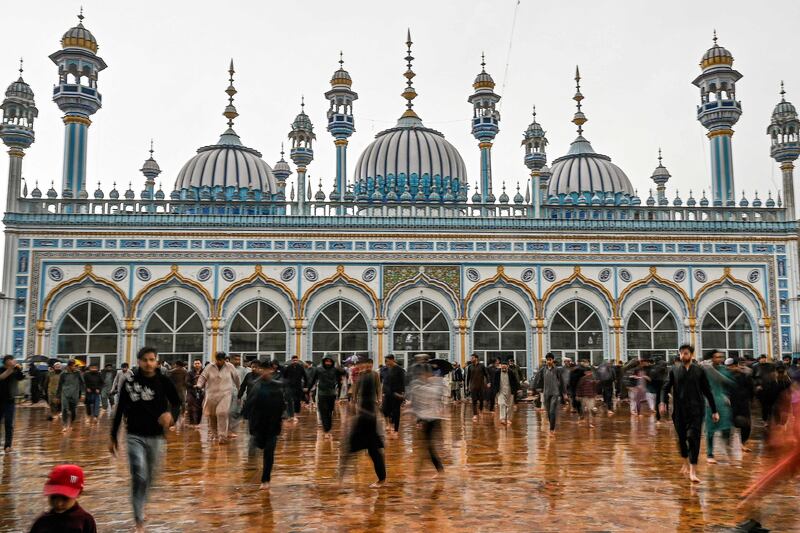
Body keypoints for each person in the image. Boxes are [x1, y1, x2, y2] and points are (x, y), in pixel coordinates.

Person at [110, 346, 181, 533]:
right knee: (139, 474)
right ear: (139, 361)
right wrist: (113, 436)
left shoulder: (164, 381)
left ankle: (142, 504)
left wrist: (171, 417)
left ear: (156, 361)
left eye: (152, 359)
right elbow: (119, 410)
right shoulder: (129, 382)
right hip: (134, 435)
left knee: (150, 477)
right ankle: (139, 520)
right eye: (145, 360)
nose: (149, 363)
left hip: (157, 437)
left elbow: (177, 402)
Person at [660, 344, 719, 483]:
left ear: (691, 355)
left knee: (693, 438)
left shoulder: (699, 371)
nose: (682, 356)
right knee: (681, 440)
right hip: (679, 412)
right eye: (681, 353)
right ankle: (685, 461)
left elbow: (707, 391)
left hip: (696, 411)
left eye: (685, 353)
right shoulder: (674, 371)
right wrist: (662, 402)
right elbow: (665, 388)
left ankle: (693, 471)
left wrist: (714, 410)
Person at [340, 358, 386, 488]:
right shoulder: (361, 375)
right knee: (370, 448)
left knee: (369, 448)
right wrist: (353, 401)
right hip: (365, 414)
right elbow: (355, 389)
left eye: (369, 364)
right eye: (365, 364)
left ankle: (381, 478)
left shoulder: (373, 375)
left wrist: (379, 399)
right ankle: (381, 478)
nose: (366, 366)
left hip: (368, 414)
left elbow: (378, 387)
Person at [246, 360, 286, 490]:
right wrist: (248, 422)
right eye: (262, 370)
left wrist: (284, 419)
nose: (264, 372)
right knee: (260, 445)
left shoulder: (277, 385)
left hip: (272, 424)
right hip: (258, 424)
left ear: (272, 371)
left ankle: (265, 479)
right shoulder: (255, 385)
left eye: (267, 370)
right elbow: (249, 404)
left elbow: (282, 404)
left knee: (269, 452)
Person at [29, 464, 96, 533]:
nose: (58, 503)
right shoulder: (41, 522)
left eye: (65, 498)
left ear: (79, 493)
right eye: (53, 497)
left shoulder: (86, 521)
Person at [196, 351, 240, 443]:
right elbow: (203, 377)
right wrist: (199, 385)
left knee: (222, 413)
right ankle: (215, 434)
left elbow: (236, 378)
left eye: (221, 360)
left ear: (224, 359)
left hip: (225, 394)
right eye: (217, 360)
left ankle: (222, 436)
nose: (219, 362)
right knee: (212, 416)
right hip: (211, 395)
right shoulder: (209, 367)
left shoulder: (230, 367)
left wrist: (240, 390)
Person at [411, 365, 446, 475]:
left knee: (427, 446)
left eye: (425, 374)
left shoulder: (433, 385)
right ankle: (421, 468)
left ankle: (425, 469)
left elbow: (431, 395)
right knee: (425, 445)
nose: (424, 376)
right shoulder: (424, 385)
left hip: (432, 420)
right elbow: (418, 402)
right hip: (425, 419)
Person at [702, 350, 735, 464]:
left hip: (722, 401)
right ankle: (710, 454)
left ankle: (727, 445)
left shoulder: (723, 369)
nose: (719, 359)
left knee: (726, 427)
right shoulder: (704, 370)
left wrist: (726, 395)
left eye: (721, 357)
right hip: (709, 402)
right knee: (710, 430)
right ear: (711, 358)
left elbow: (728, 382)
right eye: (717, 357)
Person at [307, 355, 345, 438]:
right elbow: (313, 380)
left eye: (330, 361)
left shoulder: (335, 370)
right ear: (324, 361)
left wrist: (338, 396)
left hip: (331, 394)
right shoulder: (318, 370)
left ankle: (328, 428)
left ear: (332, 362)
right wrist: (308, 390)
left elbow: (340, 380)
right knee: (323, 412)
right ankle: (326, 430)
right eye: (326, 361)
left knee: (329, 412)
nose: (328, 363)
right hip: (322, 394)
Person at [533, 353, 567, 435]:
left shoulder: (557, 370)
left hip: (555, 393)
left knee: (552, 411)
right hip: (546, 393)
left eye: (550, 360)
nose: (548, 361)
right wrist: (534, 389)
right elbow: (537, 379)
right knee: (548, 411)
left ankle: (552, 429)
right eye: (547, 360)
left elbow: (562, 382)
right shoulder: (543, 370)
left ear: (553, 360)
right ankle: (551, 424)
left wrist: (564, 393)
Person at [727, 357, 754, 452]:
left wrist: (750, 400)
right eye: (727, 367)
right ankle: (729, 443)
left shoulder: (745, 376)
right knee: (730, 423)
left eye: (731, 366)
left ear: (736, 365)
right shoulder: (726, 377)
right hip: (730, 404)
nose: (729, 368)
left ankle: (742, 443)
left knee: (746, 425)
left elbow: (751, 389)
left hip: (743, 403)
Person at [0, 356, 24, 452]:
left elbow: (21, 377)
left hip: (10, 401)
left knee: (9, 423)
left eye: (13, 360)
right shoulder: (1, 369)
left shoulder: (16, 369)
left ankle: (8, 445)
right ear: (6, 362)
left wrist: (18, 369)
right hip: (0, 400)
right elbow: (1, 377)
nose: (14, 361)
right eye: (11, 360)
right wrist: (11, 369)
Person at [57, 360, 85, 433]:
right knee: (65, 410)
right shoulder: (63, 374)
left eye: (75, 366)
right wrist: (57, 396)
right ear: (69, 366)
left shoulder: (78, 373)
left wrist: (83, 394)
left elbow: (82, 383)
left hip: (74, 395)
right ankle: (65, 425)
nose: (75, 367)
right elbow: (59, 385)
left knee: (73, 411)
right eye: (73, 366)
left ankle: (71, 424)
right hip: (65, 394)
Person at [381, 354, 405, 435]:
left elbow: (403, 382)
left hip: (396, 394)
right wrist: (382, 392)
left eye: (387, 361)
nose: (386, 363)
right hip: (387, 393)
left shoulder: (399, 370)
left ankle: (396, 430)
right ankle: (388, 424)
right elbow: (383, 381)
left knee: (396, 412)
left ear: (392, 360)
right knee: (384, 410)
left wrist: (402, 394)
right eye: (385, 361)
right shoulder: (384, 369)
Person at [492, 360, 520, 426]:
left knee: (510, 406)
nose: (503, 368)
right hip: (500, 391)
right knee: (501, 404)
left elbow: (515, 381)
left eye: (505, 367)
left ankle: (508, 419)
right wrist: (494, 390)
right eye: (502, 367)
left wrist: (518, 389)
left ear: (507, 366)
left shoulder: (511, 372)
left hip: (510, 391)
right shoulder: (497, 372)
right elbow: (495, 382)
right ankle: (502, 418)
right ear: (501, 366)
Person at [282, 355, 307, 423]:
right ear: (292, 361)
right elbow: (284, 376)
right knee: (290, 400)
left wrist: (305, 386)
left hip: (298, 386)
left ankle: (296, 413)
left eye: (296, 360)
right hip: (290, 386)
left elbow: (305, 377)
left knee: (297, 400)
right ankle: (291, 414)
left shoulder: (300, 367)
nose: (295, 361)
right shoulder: (288, 367)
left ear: (298, 360)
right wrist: (285, 384)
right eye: (294, 360)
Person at [228, 354, 249, 433]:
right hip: (228, 393)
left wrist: (243, 396)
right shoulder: (227, 369)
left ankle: (232, 430)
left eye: (239, 360)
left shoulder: (243, 370)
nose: (238, 361)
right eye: (236, 359)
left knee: (236, 412)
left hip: (238, 394)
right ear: (231, 360)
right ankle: (228, 429)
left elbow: (244, 384)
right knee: (227, 412)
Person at [465, 354, 489, 421]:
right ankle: (475, 414)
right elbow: (468, 377)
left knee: (481, 400)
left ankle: (480, 410)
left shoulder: (482, 366)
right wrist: (467, 385)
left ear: (476, 358)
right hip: (473, 386)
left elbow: (486, 374)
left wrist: (488, 382)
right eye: (471, 358)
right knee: (474, 401)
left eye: (472, 358)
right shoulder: (470, 367)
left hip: (481, 386)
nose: (471, 359)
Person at [168, 360, 189, 428]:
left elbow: (168, 380)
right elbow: (186, 381)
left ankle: (172, 415)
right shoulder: (185, 371)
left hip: (174, 389)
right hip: (182, 389)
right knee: (183, 402)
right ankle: (183, 414)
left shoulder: (172, 371)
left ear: (177, 364)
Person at [186, 359, 204, 426]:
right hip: (192, 392)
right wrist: (193, 386)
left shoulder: (204, 372)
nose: (197, 365)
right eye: (195, 363)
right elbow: (186, 383)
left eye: (198, 363)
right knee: (191, 408)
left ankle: (198, 423)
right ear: (193, 365)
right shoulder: (190, 373)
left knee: (200, 409)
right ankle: (192, 423)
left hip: (201, 393)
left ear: (201, 364)